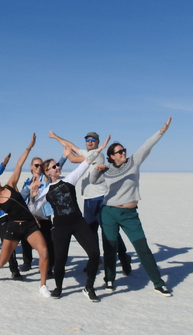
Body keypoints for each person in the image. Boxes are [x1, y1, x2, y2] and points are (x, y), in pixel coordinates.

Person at [90, 117, 173, 296]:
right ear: (112, 156)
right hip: (109, 212)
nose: (122, 153)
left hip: (129, 214)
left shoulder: (134, 162)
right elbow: (93, 181)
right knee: (110, 248)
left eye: (123, 150)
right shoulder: (107, 169)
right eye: (118, 152)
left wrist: (162, 131)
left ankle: (158, 283)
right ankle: (109, 280)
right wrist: (97, 170)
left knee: (142, 249)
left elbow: (146, 146)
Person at [29, 136, 110, 302]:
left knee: (94, 254)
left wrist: (99, 150)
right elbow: (32, 209)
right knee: (60, 259)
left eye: (57, 165)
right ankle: (58, 287)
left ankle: (89, 287)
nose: (58, 167)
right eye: (53, 167)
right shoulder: (46, 190)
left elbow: (86, 163)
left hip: (78, 222)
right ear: (47, 172)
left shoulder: (69, 179)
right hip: (60, 227)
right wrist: (32, 196)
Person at [48, 129, 132, 277]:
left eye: (93, 140)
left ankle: (124, 257)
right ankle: (96, 260)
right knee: (90, 231)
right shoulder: (87, 153)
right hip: (88, 200)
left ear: (98, 143)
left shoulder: (96, 154)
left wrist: (68, 153)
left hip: (100, 198)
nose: (90, 142)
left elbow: (73, 157)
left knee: (109, 232)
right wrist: (56, 137)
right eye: (87, 139)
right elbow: (71, 145)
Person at [0, 134, 52, 299]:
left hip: (29, 225)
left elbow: (19, 164)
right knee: (2, 260)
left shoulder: (11, 185)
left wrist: (29, 147)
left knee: (44, 251)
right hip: (13, 228)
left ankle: (43, 285)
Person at [18, 155, 66, 274]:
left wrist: (64, 156)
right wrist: (29, 188)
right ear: (31, 167)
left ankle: (49, 266)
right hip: (30, 215)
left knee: (48, 241)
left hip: (44, 215)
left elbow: (56, 166)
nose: (39, 167)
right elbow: (22, 197)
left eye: (41, 165)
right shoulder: (27, 182)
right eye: (36, 165)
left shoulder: (46, 179)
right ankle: (27, 262)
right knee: (26, 240)